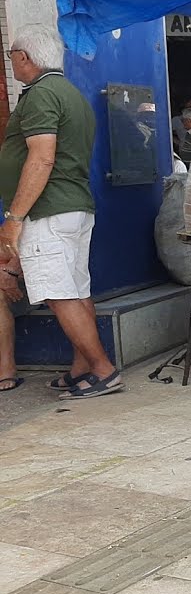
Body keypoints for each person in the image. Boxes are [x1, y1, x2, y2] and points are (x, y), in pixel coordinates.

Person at [0, 25, 123, 399]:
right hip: (72, 207)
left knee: (59, 293)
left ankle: (103, 370)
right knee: (75, 289)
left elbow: (42, 157)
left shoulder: (40, 95)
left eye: (12, 57)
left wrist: (14, 218)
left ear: (24, 57)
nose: (12, 64)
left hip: (49, 211)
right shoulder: (68, 92)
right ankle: (81, 368)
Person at [0, 250, 26, 393]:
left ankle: (7, 368)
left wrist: (9, 272)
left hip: (16, 280)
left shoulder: (16, 226)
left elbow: (28, 251)